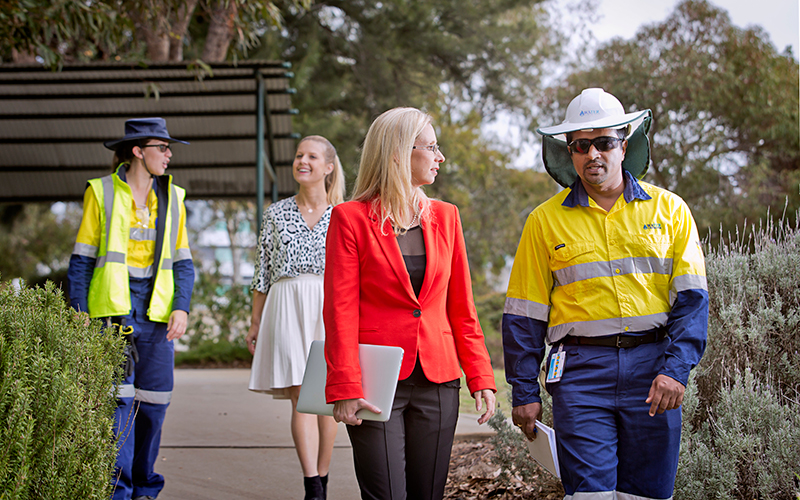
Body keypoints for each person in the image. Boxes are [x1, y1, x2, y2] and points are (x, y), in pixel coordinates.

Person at [502, 88, 709, 499]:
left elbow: (692, 302)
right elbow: (524, 315)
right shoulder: (543, 221)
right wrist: (524, 391)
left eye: (604, 142)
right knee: (589, 495)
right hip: (580, 374)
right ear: (569, 152)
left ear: (624, 144)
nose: (593, 154)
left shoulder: (670, 211)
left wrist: (675, 369)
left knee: (647, 495)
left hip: (654, 372)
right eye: (581, 145)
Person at [323, 107, 497, 500]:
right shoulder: (349, 219)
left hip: (439, 381)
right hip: (375, 382)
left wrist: (481, 377)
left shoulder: (447, 217)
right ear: (400, 152)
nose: (441, 157)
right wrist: (345, 385)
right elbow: (340, 311)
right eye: (432, 147)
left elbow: (462, 309)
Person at [67, 117, 195, 500]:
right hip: (112, 311)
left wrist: (182, 307)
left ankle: (144, 487)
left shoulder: (174, 197)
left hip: (157, 314)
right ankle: (118, 492)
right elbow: (82, 259)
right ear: (139, 151)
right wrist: (79, 311)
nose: (169, 155)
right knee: (117, 405)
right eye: (163, 147)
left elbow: (184, 261)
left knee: (154, 405)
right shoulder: (101, 191)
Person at [246, 135, 345, 500]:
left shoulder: (344, 214)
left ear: (329, 167)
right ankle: (312, 486)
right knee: (301, 395)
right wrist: (255, 322)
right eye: (299, 155)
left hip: (329, 307)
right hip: (285, 304)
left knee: (326, 397)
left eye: (312, 156)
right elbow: (262, 273)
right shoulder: (275, 214)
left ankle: (324, 473)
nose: (303, 161)